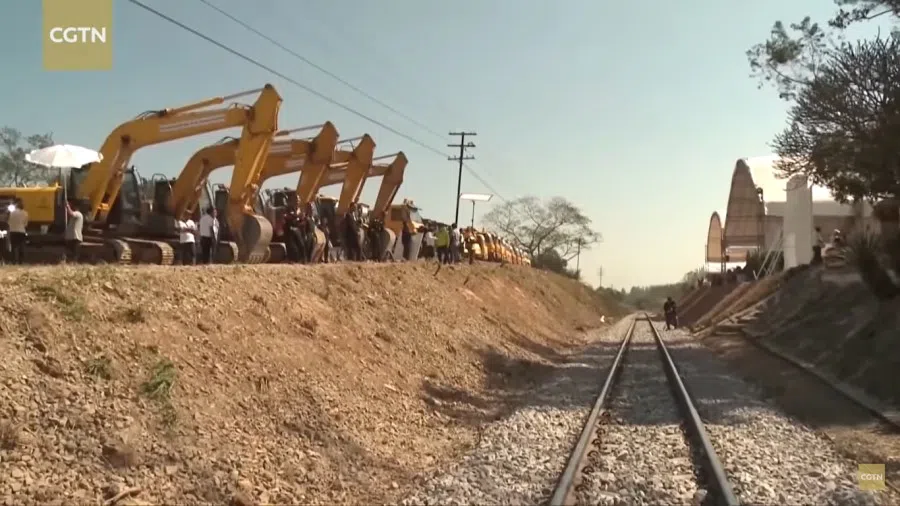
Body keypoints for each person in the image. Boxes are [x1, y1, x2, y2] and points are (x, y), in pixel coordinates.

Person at [7, 199, 28, 264]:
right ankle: (21, 261)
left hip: (12, 231)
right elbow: (25, 224)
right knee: (21, 247)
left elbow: (8, 222)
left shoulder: (11, 213)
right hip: (21, 231)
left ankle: (13, 261)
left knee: (13, 247)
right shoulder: (25, 213)